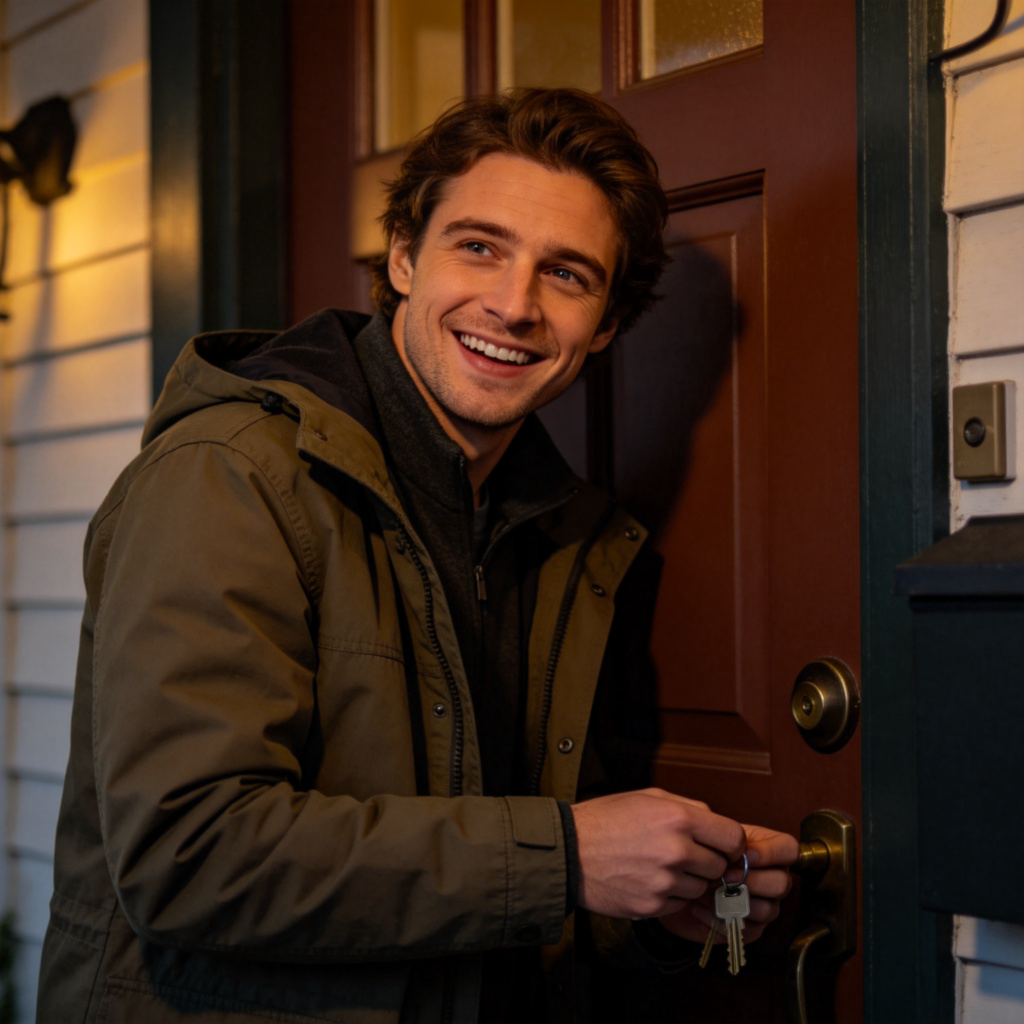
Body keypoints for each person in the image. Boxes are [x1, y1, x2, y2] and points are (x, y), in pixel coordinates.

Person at [37, 88, 797, 1023]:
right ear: (402, 257)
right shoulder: (229, 473)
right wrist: (566, 860)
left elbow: (496, 850)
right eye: (479, 247)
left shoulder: (560, 537)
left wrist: (648, 906)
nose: (513, 305)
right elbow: (187, 854)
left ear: (603, 325)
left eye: (567, 274)